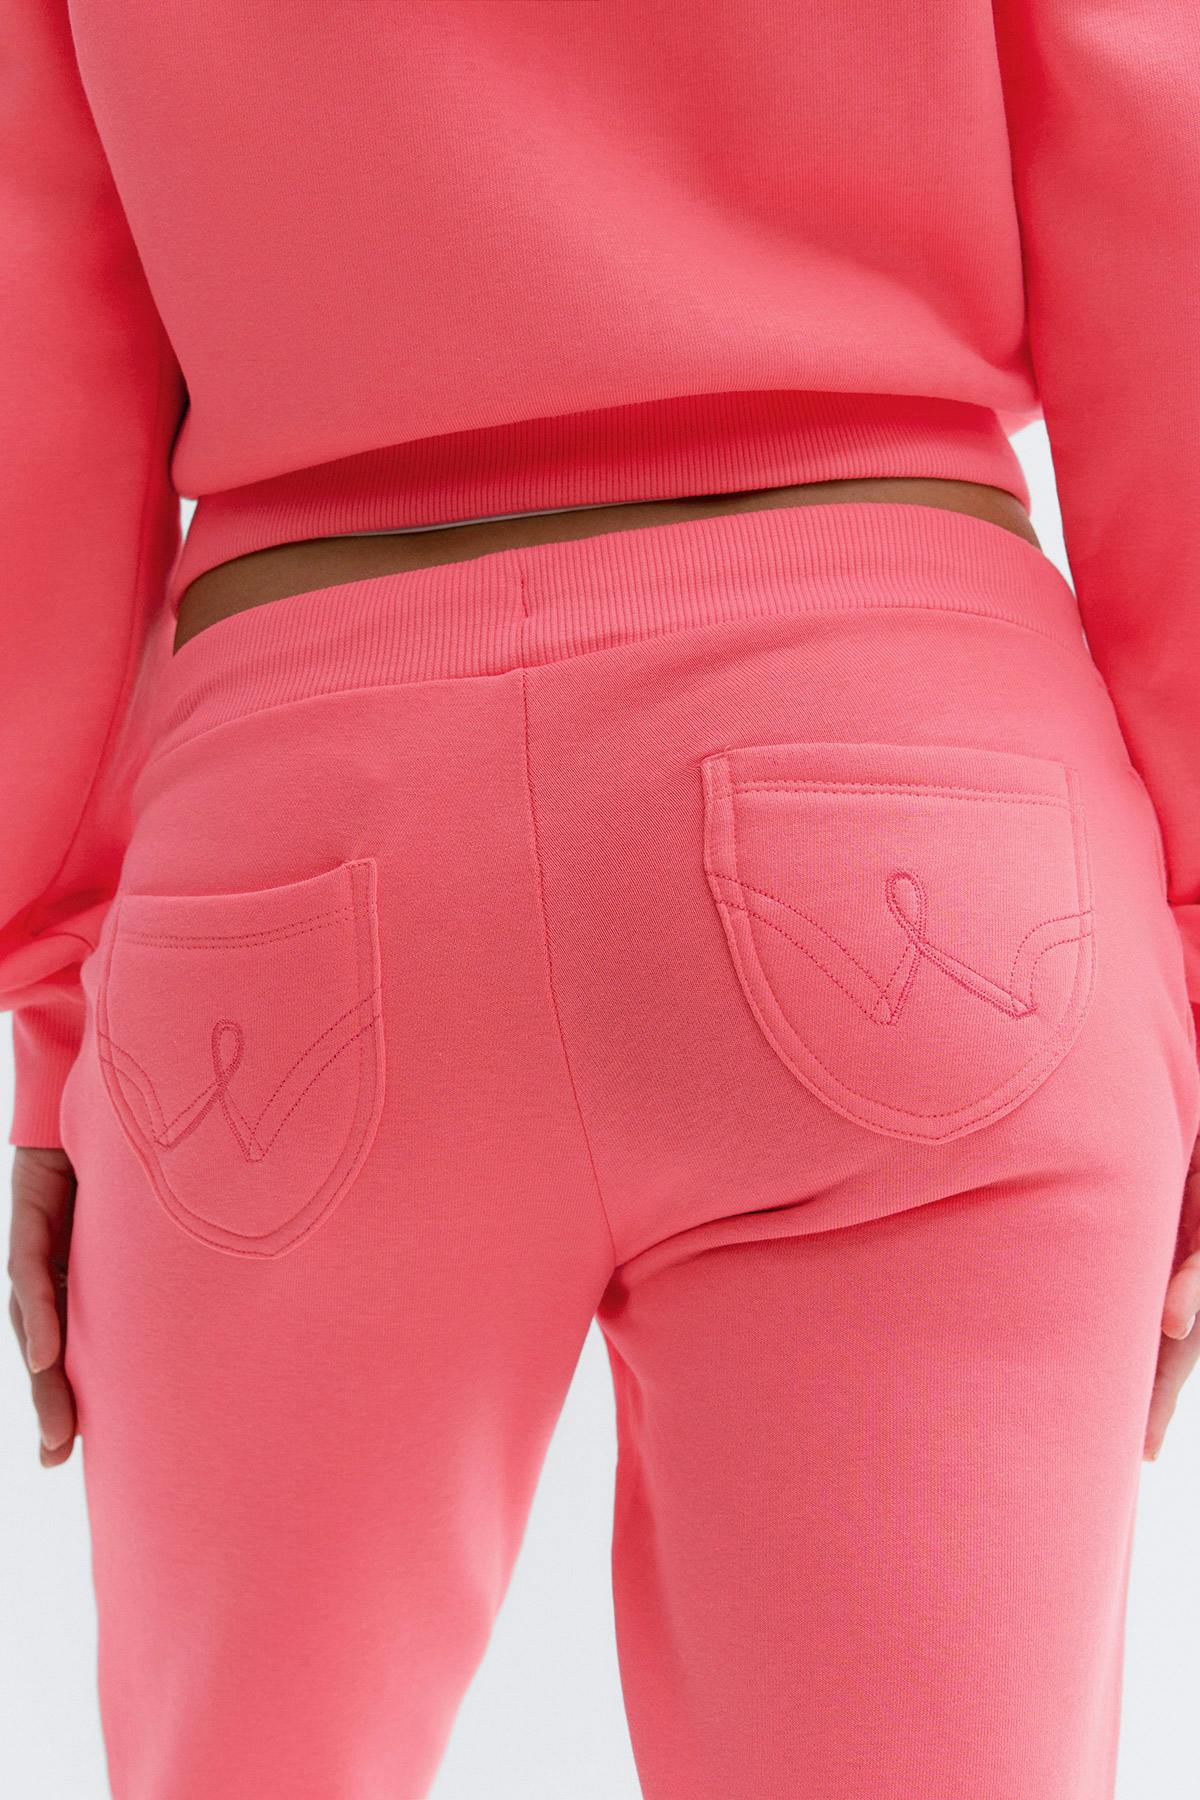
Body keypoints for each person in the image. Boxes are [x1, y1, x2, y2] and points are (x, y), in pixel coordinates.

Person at [3, 4, 1199, 1797]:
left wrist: (64, 1009)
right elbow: (1165, 212)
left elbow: (34, 365)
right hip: (913, 781)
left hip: (295, 846)